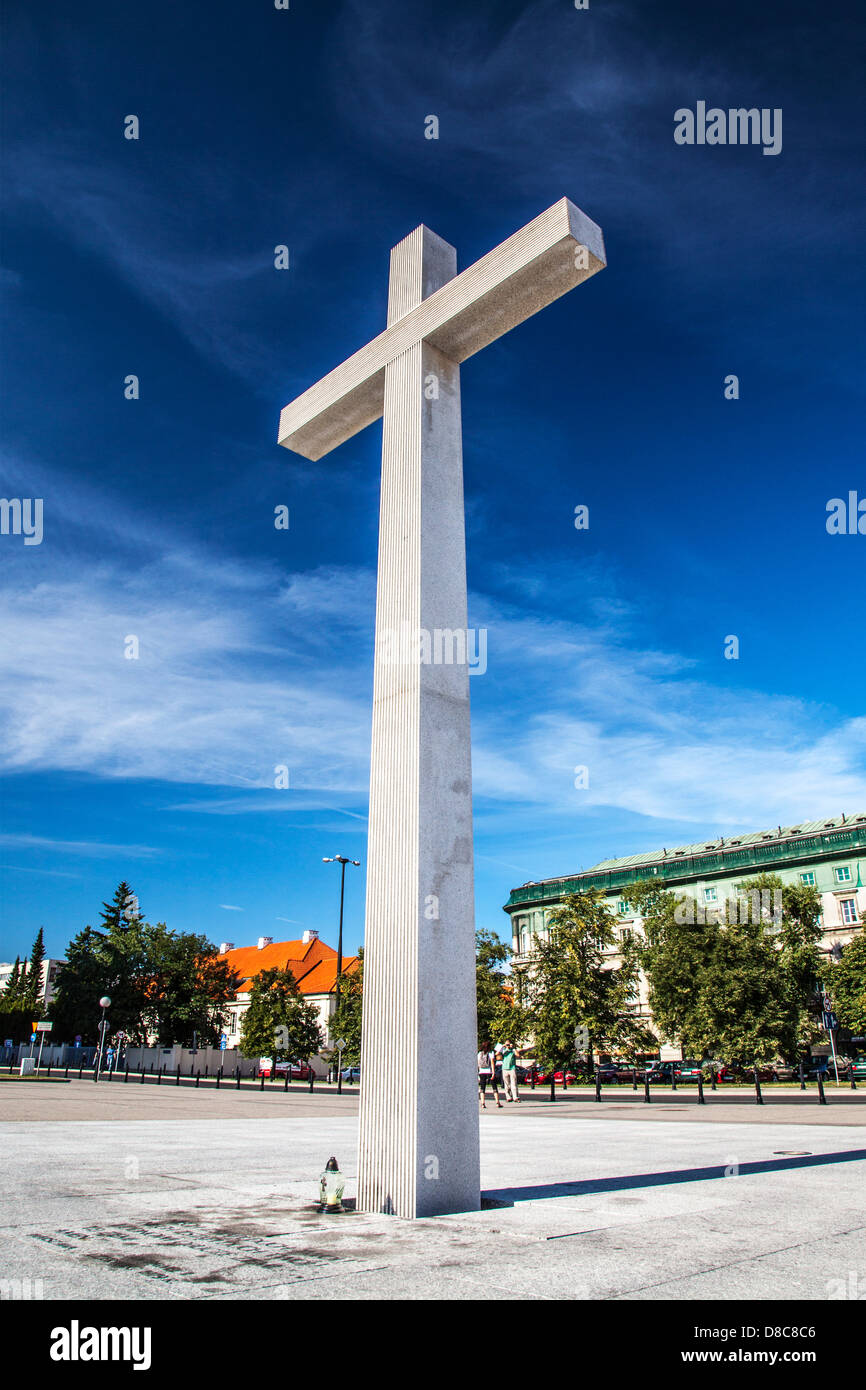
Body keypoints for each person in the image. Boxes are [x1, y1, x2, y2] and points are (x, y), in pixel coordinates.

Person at [477, 1041, 502, 1109]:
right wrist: (493, 1072)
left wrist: (478, 1072)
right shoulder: (491, 1053)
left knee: (482, 1088)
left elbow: (478, 1064)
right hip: (489, 1071)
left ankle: (482, 1103)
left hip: (482, 1072)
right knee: (494, 1087)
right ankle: (497, 1102)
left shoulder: (479, 1053)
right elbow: (492, 1063)